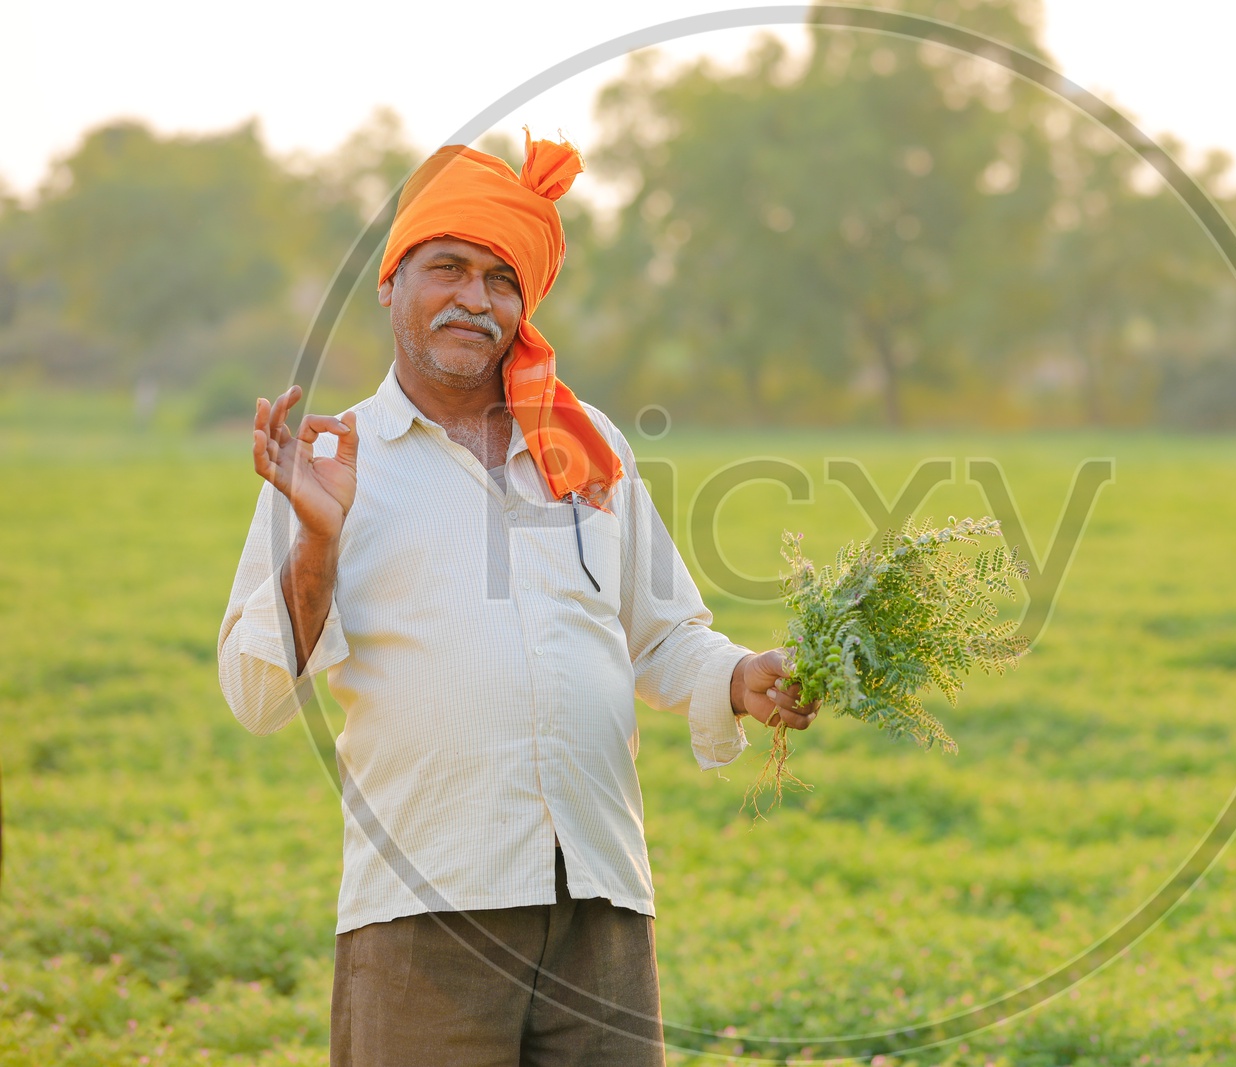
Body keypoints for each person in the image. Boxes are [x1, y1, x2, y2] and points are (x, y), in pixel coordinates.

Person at [217, 133, 816, 1067]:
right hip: (425, 910)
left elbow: (664, 637)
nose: (475, 297)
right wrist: (319, 546)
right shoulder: (335, 461)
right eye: (447, 267)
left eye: (502, 278)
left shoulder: (584, 448)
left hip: (600, 910)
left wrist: (743, 677)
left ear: (523, 304)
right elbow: (254, 696)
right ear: (391, 284)